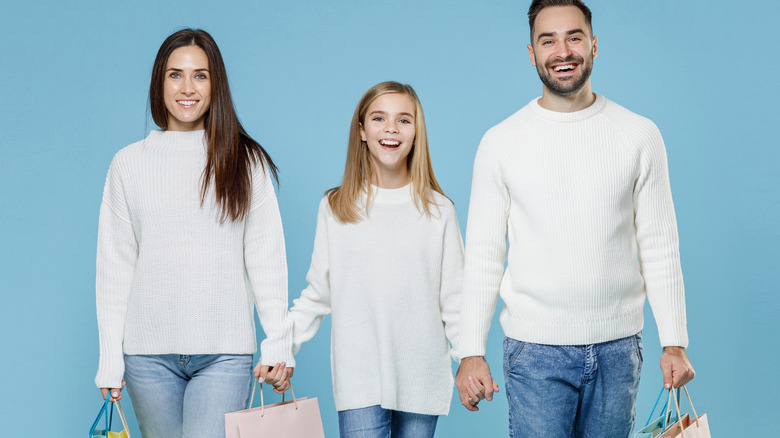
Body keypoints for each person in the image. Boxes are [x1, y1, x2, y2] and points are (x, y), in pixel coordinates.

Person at [454, 1, 695, 436]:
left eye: (574, 37)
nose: (562, 51)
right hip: (534, 351)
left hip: (619, 349)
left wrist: (674, 342)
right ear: (531, 52)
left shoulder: (639, 135)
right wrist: (470, 351)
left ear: (594, 45)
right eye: (548, 40)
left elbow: (660, 244)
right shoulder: (501, 142)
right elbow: (485, 256)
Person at [94, 28, 292, 438]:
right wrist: (110, 357)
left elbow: (266, 257)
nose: (188, 88)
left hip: (225, 353)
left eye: (200, 75)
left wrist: (279, 342)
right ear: (159, 82)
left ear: (215, 83)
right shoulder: (128, 164)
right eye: (175, 75)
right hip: (147, 357)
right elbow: (115, 267)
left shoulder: (244, 160)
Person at [287, 81, 463, 438]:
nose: (391, 129)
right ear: (362, 130)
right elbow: (319, 294)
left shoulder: (439, 211)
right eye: (379, 118)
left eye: (404, 120)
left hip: (421, 378)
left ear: (417, 132)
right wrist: (281, 346)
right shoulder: (336, 208)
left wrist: (470, 359)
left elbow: (455, 301)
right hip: (359, 377)